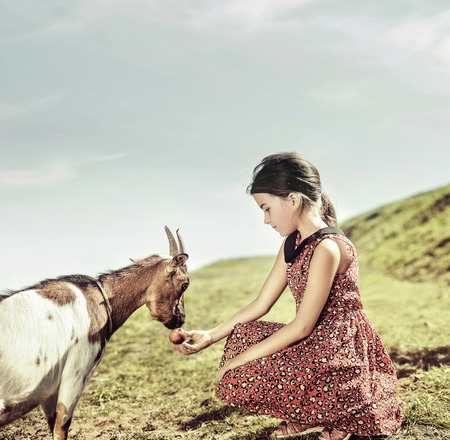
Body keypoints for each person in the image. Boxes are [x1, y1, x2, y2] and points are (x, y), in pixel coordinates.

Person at [177, 153, 402, 440]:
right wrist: (210, 335)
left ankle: (341, 413)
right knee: (243, 335)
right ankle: (311, 411)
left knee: (240, 367)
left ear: (293, 200)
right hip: (314, 342)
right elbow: (262, 303)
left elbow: (303, 326)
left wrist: (240, 360)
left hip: (340, 347)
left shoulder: (328, 248)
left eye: (267, 208)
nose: (265, 219)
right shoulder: (293, 243)